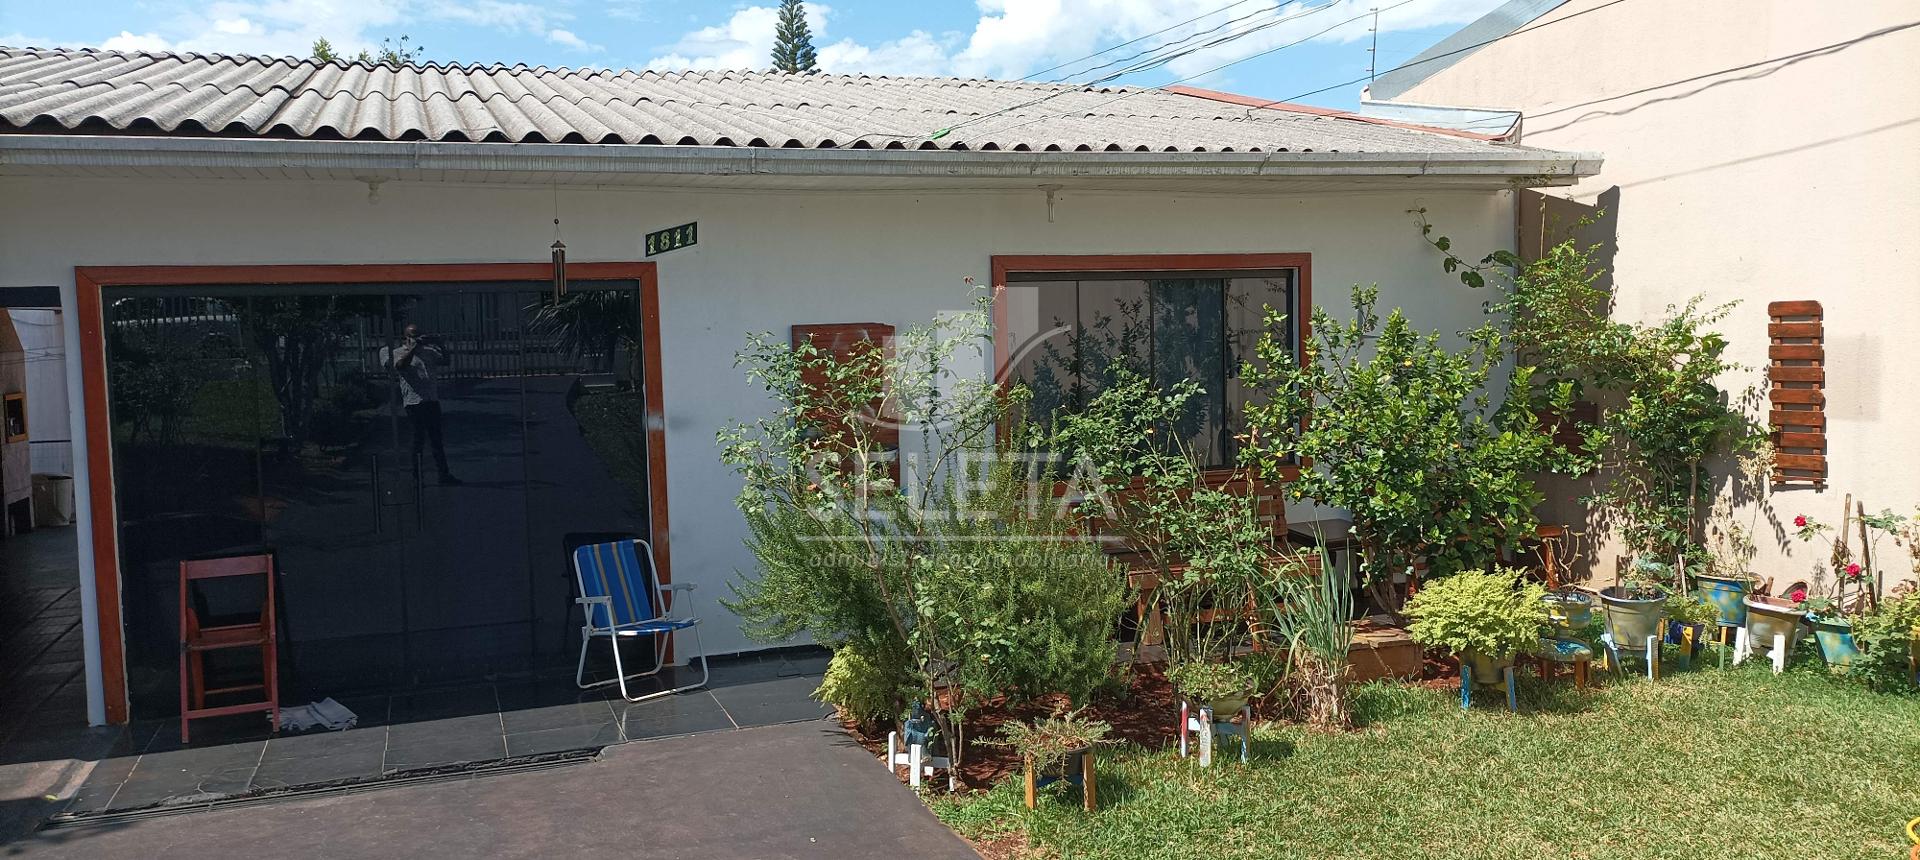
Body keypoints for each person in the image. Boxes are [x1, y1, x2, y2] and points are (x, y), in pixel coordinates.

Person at [387, 323, 461, 485]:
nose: (418, 339)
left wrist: (439, 343)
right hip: (414, 402)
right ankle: (417, 476)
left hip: (431, 400)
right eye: (413, 336)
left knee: (436, 439)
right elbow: (400, 366)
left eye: (419, 335)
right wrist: (413, 348)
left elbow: (446, 361)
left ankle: (444, 474)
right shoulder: (397, 353)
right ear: (405, 338)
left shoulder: (429, 352)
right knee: (417, 439)